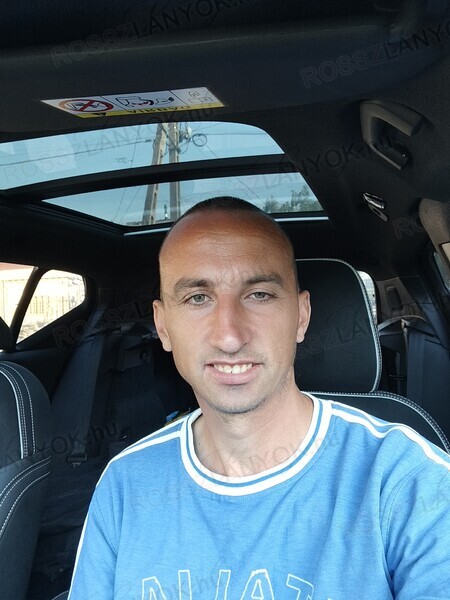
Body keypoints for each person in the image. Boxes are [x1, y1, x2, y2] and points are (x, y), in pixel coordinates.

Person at [68, 197, 450, 599]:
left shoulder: (407, 482)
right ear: (163, 327)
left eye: (259, 295)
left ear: (301, 316)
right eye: (198, 298)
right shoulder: (125, 484)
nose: (229, 337)